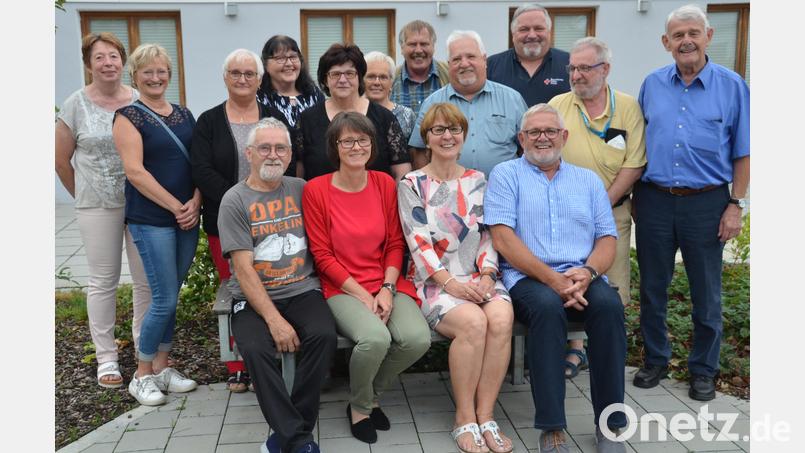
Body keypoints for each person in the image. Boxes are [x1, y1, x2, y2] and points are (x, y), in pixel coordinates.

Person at [485, 104, 627, 453]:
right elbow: (503, 239)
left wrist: (588, 273)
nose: (542, 138)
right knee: (548, 310)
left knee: (609, 306)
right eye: (534, 132)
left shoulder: (588, 180)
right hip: (528, 277)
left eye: (550, 131)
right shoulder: (505, 174)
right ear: (521, 138)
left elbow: (608, 238)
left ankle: (610, 425)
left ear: (563, 136)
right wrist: (554, 280)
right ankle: (551, 429)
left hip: (582, 273)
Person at [634, 4, 749, 402]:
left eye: (693, 33)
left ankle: (703, 370)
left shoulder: (733, 86)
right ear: (666, 43)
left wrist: (735, 203)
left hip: (708, 202)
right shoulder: (651, 84)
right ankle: (656, 361)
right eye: (678, 35)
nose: (686, 41)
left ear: (708, 36)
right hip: (654, 200)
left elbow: (743, 152)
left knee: (706, 292)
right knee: (652, 287)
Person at [302, 112, 431, 444]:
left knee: (417, 339)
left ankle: (370, 395)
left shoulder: (384, 183)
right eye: (347, 140)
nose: (356, 146)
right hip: (342, 287)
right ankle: (360, 408)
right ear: (335, 146)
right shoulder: (316, 190)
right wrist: (362, 295)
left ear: (372, 145)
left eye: (363, 139)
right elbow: (322, 255)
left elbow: (394, 243)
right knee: (375, 338)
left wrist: (387, 289)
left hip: (386, 281)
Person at [398, 103, 514, 453]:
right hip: (434, 282)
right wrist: (450, 283)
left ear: (463, 136)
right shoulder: (412, 183)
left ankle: (486, 415)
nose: (447, 136)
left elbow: (489, 235)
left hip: (481, 277)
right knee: (473, 323)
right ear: (427, 138)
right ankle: (463, 418)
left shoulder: (479, 180)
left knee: (501, 316)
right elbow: (417, 242)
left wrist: (489, 275)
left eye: (454, 130)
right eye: (438, 130)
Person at [218, 117, 336, 453]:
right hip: (254, 297)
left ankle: (284, 433)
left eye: (280, 148)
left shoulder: (301, 188)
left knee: (323, 335)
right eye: (265, 148)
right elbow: (243, 269)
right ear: (249, 153)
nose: (273, 154)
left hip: (302, 289)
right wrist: (274, 320)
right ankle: (298, 439)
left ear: (289, 154)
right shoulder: (234, 200)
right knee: (256, 349)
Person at [190, 48, 294, 393]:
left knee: (278, 283)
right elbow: (201, 170)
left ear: (260, 80)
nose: (243, 79)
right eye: (236, 73)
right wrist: (241, 201)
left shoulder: (273, 116)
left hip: (276, 218)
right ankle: (239, 365)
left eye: (250, 74)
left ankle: (275, 354)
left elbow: (286, 157)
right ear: (225, 78)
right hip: (227, 218)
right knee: (238, 290)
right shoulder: (208, 121)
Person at [55, 32, 151, 389]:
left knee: (145, 281)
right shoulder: (75, 104)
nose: (108, 63)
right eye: (99, 58)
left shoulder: (140, 100)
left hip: (141, 203)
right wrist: (83, 193)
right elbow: (60, 160)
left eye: (113, 56)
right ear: (88, 64)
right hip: (97, 206)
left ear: (123, 61)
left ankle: (145, 345)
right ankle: (106, 357)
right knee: (102, 282)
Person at [548, 37, 646, 378]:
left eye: (584, 68)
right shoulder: (557, 105)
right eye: (572, 68)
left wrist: (600, 205)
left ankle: (607, 359)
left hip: (612, 214)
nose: (576, 75)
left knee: (611, 289)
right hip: (564, 218)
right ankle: (574, 350)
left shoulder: (628, 107)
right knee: (570, 280)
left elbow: (634, 163)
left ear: (605, 69)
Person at [113, 43, 200, 406]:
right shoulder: (127, 116)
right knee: (162, 299)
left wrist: (196, 200)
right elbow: (135, 172)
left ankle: (163, 366)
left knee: (172, 294)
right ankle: (142, 373)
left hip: (188, 216)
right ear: (135, 76)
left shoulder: (184, 114)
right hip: (153, 220)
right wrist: (176, 206)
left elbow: (200, 161)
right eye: (147, 71)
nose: (155, 77)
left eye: (161, 70)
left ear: (169, 74)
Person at [408, 30, 527, 175]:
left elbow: (527, 146)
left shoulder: (512, 99)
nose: (464, 64)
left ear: (484, 60)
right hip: (449, 193)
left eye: (471, 56)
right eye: (457, 59)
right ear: (449, 64)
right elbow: (419, 151)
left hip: (503, 193)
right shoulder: (432, 103)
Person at [295, 43, 411, 181]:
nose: (343, 80)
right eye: (335, 74)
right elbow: (299, 174)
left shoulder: (384, 118)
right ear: (325, 80)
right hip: (321, 201)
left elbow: (401, 172)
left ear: (360, 77)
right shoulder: (308, 119)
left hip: (376, 201)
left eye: (350, 73)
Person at [487, 3, 570, 107]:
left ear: (549, 32)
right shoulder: (491, 66)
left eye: (538, 28)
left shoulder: (570, 64)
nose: (532, 35)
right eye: (524, 29)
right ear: (513, 34)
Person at [256, 35, 324, 131]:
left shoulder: (314, 95)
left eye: (293, 57)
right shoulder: (258, 98)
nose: (289, 64)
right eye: (280, 58)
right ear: (265, 64)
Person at [390, 20, 450, 117]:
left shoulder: (450, 75)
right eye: (412, 44)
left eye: (424, 44)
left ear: (433, 47)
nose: (418, 50)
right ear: (402, 48)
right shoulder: (390, 80)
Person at [364, 51, 416, 143]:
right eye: (371, 77)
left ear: (391, 83)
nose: (377, 82)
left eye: (383, 77)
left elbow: (414, 154)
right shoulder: (354, 114)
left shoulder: (407, 116)